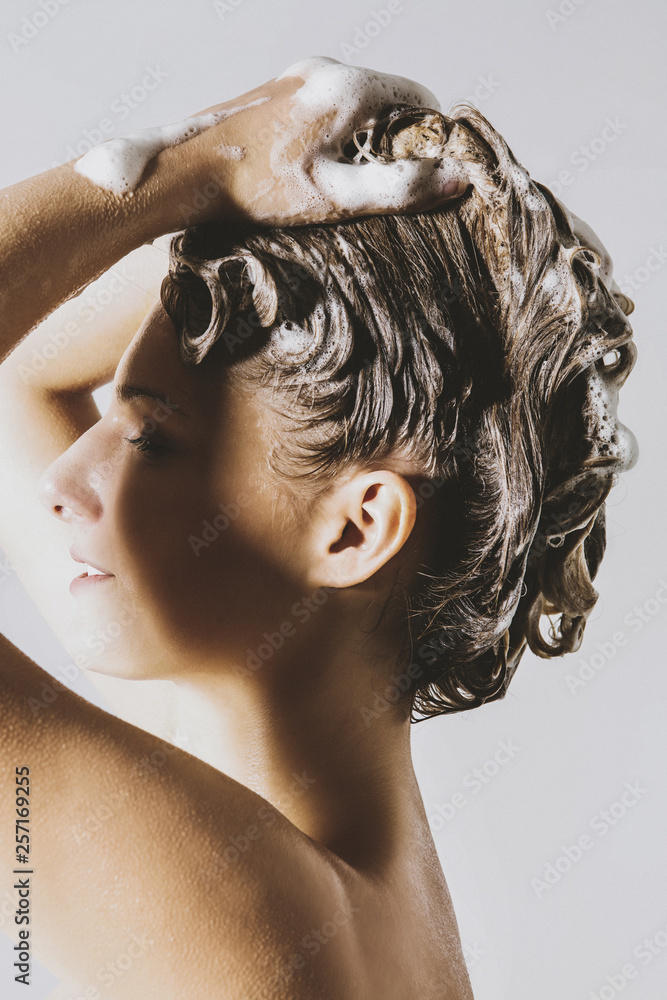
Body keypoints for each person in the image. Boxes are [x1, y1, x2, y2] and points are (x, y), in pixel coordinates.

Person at [0, 56, 637, 999]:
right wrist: (293, 236)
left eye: (149, 440)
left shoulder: (235, 902)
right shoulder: (323, 865)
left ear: (354, 530)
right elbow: (26, 373)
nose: (62, 481)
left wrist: (199, 170)